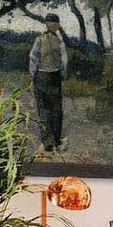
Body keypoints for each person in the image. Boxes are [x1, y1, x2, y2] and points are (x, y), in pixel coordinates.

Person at [28, 13, 69, 151]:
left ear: (46, 23)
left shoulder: (39, 40)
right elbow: (64, 63)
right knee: (56, 110)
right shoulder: (60, 42)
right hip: (54, 77)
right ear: (57, 25)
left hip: (40, 76)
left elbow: (33, 58)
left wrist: (33, 76)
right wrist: (62, 77)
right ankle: (57, 141)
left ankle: (47, 143)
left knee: (43, 110)